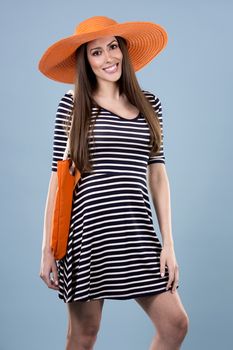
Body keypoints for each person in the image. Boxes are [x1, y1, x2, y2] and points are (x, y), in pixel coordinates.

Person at [38, 15, 189, 350]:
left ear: (124, 50)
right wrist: (47, 249)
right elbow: (57, 178)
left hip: (137, 231)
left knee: (175, 324)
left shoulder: (150, 104)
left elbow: (158, 173)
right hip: (88, 232)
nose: (108, 58)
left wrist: (168, 244)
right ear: (85, 61)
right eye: (96, 53)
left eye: (113, 47)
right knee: (84, 335)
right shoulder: (73, 103)